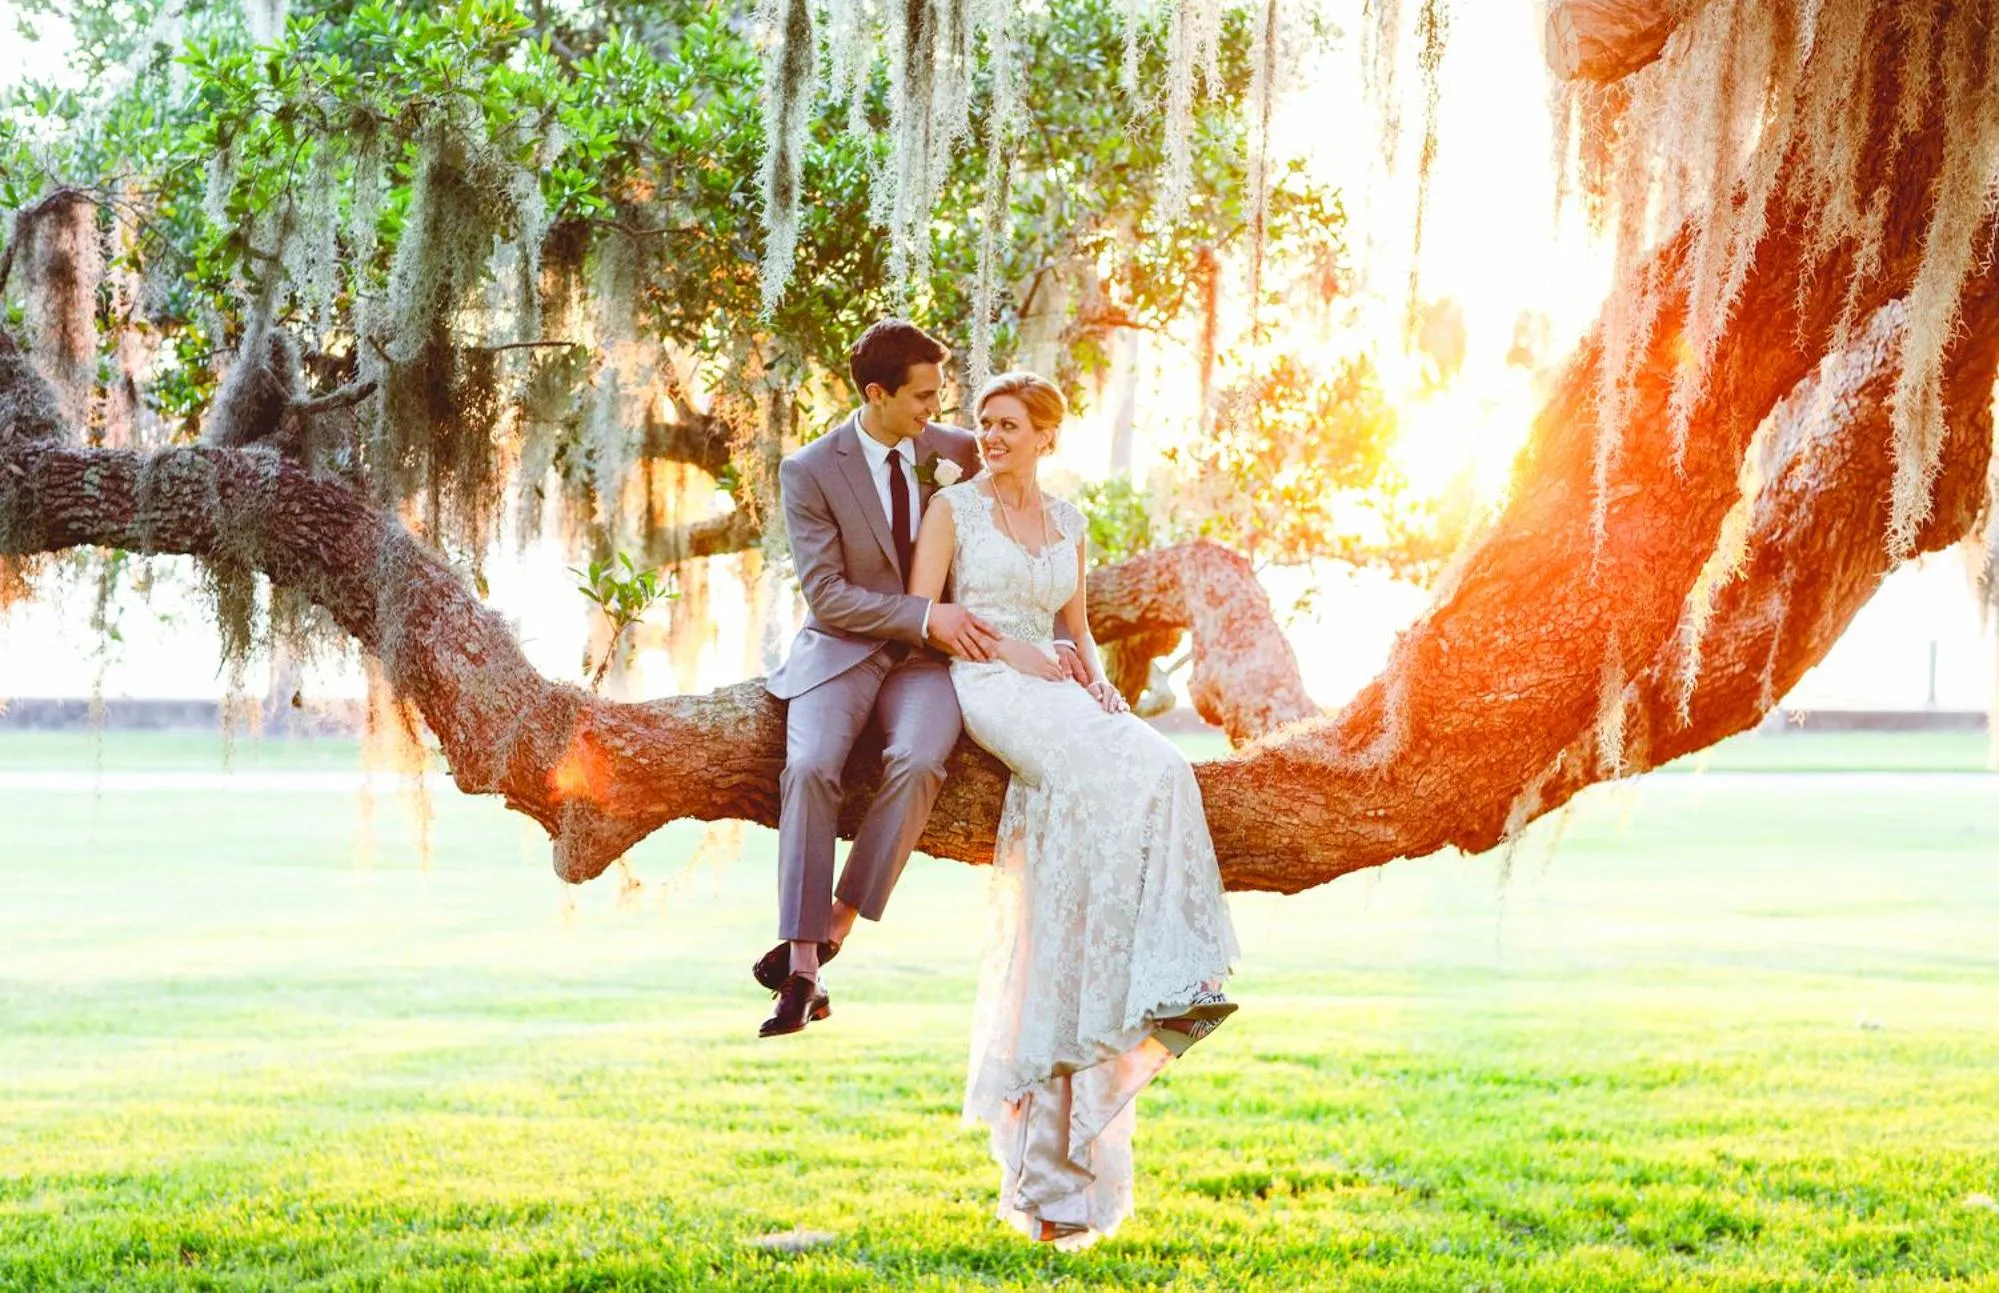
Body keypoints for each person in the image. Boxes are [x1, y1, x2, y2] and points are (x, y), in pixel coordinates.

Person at [907, 370, 1240, 1248]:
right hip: (989, 684)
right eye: (984, 422)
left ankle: (1177, 980)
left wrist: (1100, 687)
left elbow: (1079, 631)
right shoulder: (955, 511)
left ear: (1046, 435)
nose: (992, 436)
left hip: (1061, 686)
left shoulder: (1069, 521)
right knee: (1085, 783)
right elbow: (925, 613)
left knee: (1164, 768)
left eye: (1009, 424)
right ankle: (1048, 1122)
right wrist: (1014, 651)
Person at [755, 321, 1083, 1037]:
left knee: (917, 759)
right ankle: (802, 969)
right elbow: (828, 594)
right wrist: (926, 615)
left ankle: (835, 924)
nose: (938, 410)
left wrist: (1053, 637)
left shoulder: (959, 452)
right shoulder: (808, 471)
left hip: (930, 668)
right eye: (923, 396)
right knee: (809, 765)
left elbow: (1029, 534)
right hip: (842, 650)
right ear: (876, 394)